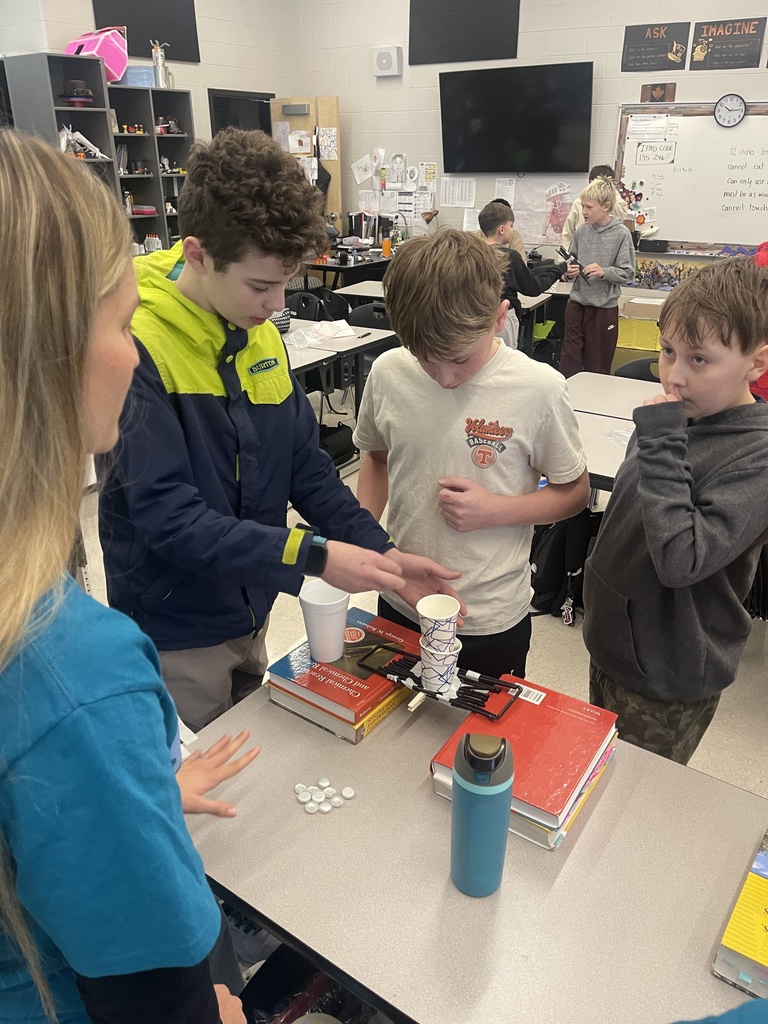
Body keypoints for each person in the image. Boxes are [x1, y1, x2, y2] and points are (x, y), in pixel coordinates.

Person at [0, 131, 248, 1023]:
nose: (133, 356)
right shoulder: (72, 668)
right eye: (118, 323)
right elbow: (163, 995)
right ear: (47, 355)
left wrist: (124, 794)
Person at [98, 128, 461, 732]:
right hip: (176, 627)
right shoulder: (138, 349)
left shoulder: (256, 330)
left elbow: (306, 470)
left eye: (285, 285)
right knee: (200, 791)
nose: (275, 305)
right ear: (197, 254)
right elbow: (171, 518)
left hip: (251, 601)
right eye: (261, 286)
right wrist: (310, 557)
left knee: (250, 751)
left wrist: (384, 552)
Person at [353, 229, 590, 678]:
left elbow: (574, 492)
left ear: (501, 317)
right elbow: (376, 456)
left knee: (478, 742)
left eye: (460, 359)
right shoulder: (388, 372)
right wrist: (368, 542)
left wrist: (496, 510)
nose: (444, 378)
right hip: (400, 596)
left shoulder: (538, 388)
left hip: (488, 617)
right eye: (425, 359)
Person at [583, 258, 768, 764]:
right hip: (617, 642)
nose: (674, 375)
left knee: (631, 798)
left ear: (755, 363)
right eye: (667, 351)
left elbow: (681, 559)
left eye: (699, 359)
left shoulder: (756, 455)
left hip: (668, 672)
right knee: (595, 772)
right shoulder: (676, 417)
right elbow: (631, 508)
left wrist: (662, 438)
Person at [559, 177, 636, 378]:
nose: (583, 211)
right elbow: (571, 263)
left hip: (603, 310)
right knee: (569, 363)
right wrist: (569, 272)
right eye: (582, 206)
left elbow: (628, 273)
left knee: (597, 365)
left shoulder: (621, 234)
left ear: (606, 206)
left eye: (589, 207)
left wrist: (605, 271)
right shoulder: (581, 232)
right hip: (576, 306)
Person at [478, 201, 569, 349]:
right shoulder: (508, 256)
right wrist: (560, 270)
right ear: (501, 229)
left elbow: (522, 275)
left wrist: (553, 267)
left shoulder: (473, 254)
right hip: (502, 319)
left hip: (477, 318)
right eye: (511, 225)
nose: (512, 230)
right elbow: (533, 287)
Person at [561, 163, 631, 248]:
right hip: (583, 250)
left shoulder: (616, 204)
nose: (584, 211)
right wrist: (564, 260)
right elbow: (567, 234)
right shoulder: (578, 203)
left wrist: (609, 193)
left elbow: (621, 216)